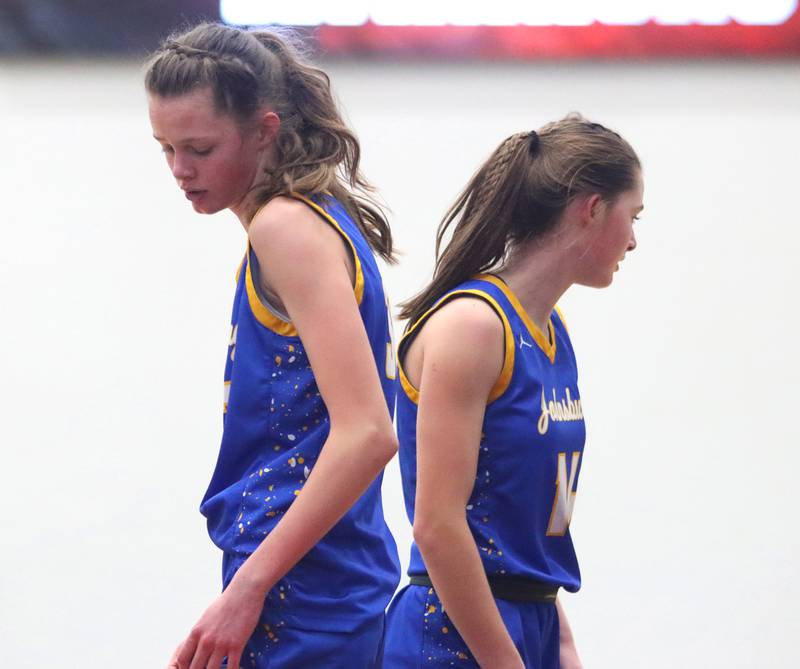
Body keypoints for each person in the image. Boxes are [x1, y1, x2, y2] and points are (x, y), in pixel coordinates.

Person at [145, 22, 401, 669]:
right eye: (165, 148)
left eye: (199, 148)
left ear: (264, 130)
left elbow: (368, 431)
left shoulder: (286, 227)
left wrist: (250, 587)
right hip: (318, 574)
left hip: (307, 589)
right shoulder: (312, 218)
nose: (180, 169)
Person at [382, 115, 644, 668]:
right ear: (592, 209)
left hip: (530, 619)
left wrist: (560, 641)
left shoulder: (552, 330)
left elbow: (514, 530)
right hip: (455, 631)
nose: (634, 239)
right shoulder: (473, 326)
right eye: (632, 216)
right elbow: (437, 522)